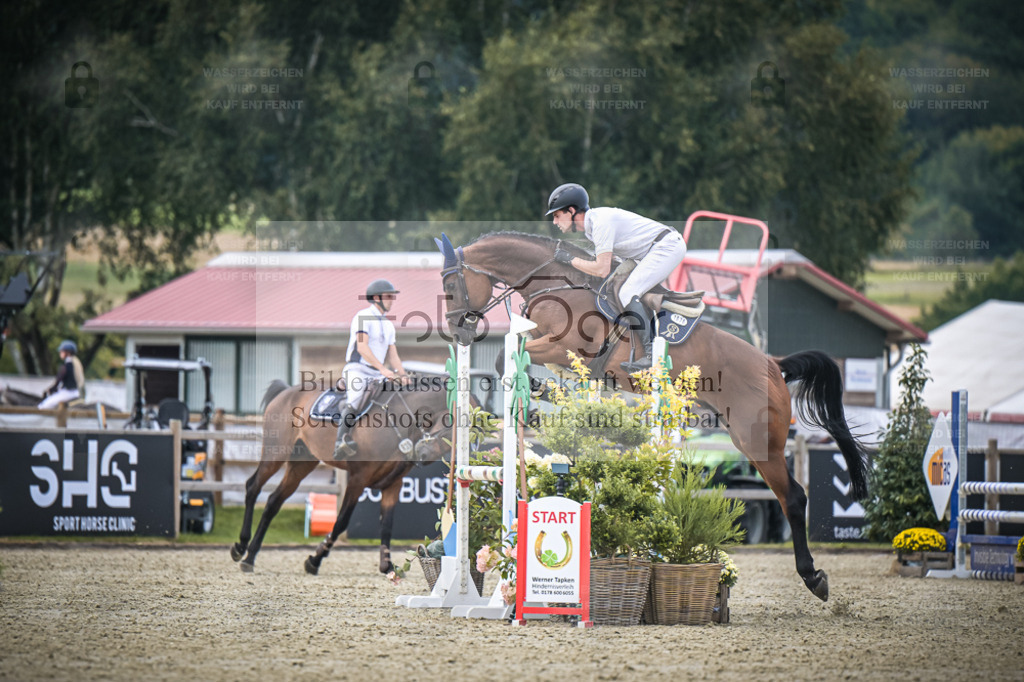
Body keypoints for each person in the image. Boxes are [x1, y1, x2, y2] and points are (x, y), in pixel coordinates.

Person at [545, 182, 687, 372]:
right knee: (616, 287)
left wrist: (570, 260)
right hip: (647, 252)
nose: (555, 222)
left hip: (665, 247)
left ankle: (653, 353)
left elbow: (601, 269)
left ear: (571, 210)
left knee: (627, 292)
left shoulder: (600, 223)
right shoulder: (592, 228)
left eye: (557, 215)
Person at [333, 279, 410, 459]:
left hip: (377, 372)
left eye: (392, 296)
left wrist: (404, 375)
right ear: (376, 298)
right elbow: (362, 348)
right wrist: (383, 369)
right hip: (358, 369)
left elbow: (393, 355)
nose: (392, 299)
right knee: (356, 400)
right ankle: (340, 442)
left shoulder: (388, 325)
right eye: (388, 296)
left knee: (395, 397)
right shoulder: (363, 317)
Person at [38, 339, 85, 410]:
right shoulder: (75, 363)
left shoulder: (67, 365)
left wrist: (49, 390)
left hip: (68, 393)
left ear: (68, 352)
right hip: (75, 392)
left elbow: (58, 381)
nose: (60, 352)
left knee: (42, 407)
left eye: (62, 351)